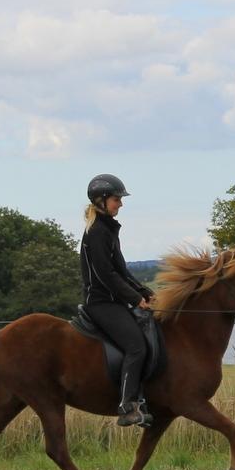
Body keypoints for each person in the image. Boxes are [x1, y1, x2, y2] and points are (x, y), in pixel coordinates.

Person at [80, 173, 155, 427]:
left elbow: (121, 270)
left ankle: (144, 399)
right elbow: (106, 274)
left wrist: (145, 291)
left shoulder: (108, 229)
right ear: (101, 200)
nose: (120, 204)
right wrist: (134, 298)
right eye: (116, 199)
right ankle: (127, 405)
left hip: (114, 301)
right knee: (136, 347)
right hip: (101, 303)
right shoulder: (97, 232)